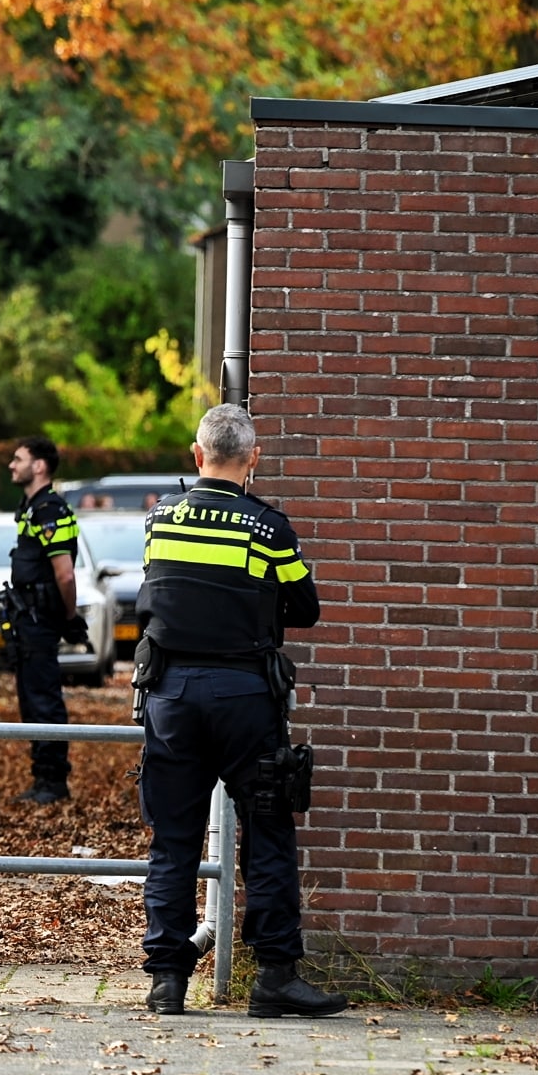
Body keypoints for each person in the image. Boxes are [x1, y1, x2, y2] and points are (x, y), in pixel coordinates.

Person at [136, 404, 342, 1019]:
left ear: (197, 455)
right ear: (253, 459)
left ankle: (167, 980)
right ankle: (275, 977)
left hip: (170, 697)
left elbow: (160, 589)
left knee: (174, 839)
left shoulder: (160, 519)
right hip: (244, 696)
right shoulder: (267, 527)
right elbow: (306, 608)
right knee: (268, 830)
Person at [5, 435, 89, 805]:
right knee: (31, 698)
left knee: (43, 699)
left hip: (40, 619)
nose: (12, 465)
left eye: (18, 459)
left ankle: (53, 781)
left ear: (39, 466)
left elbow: (65, 575)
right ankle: (42, 777)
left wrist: (69, 617)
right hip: (28, 619)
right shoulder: (32, 507)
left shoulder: (49, 510)